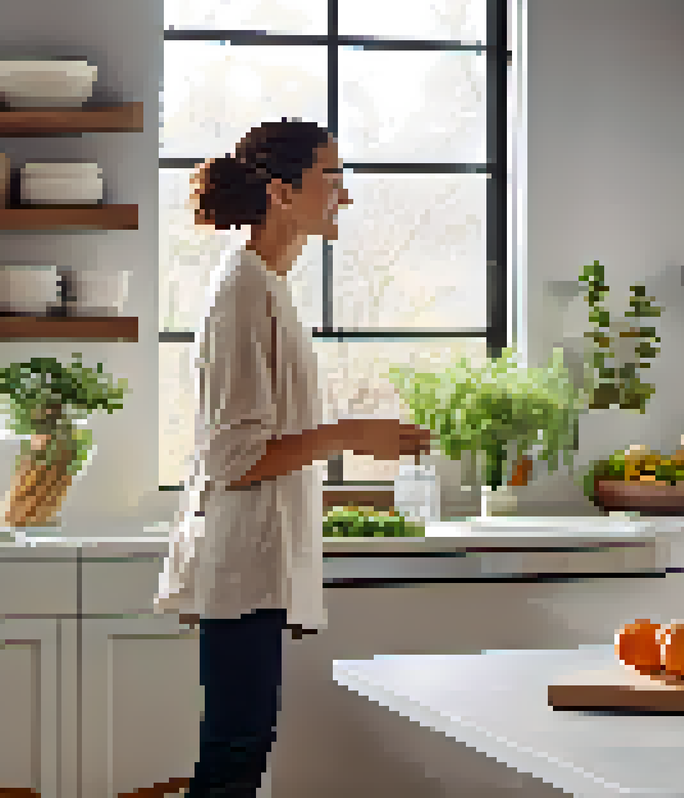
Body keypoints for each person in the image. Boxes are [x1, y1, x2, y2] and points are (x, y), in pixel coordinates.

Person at [154, 118, 432, 798]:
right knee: (233, 758)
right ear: (281, 192)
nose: (347, 196)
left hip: (257, 564)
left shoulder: (265, 285)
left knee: (239, 753)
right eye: (332, 178)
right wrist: (349, 436)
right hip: (243, 564)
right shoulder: (242, 294)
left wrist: (350, 435)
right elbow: (234, 458)